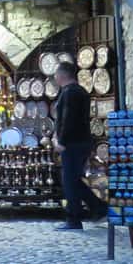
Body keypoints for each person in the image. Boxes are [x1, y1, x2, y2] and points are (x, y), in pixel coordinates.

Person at [53, 62, 107, 230]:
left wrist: (60, 141)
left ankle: (74, 219)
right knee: (73, 180)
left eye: (56, 74)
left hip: (73, 143)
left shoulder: (70, 93)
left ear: (61, 75)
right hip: (80, 141)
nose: (55, 78)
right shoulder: (78, 91)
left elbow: (68, 120)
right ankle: (99, 208)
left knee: (69, 181)